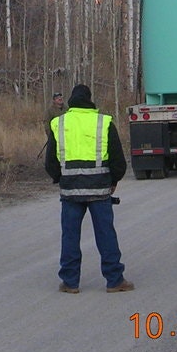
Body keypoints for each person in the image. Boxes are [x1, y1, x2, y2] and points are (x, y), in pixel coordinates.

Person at [45, 84, 133, 294]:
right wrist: (113, 180)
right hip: (100, 190)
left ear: (71, 101)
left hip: (70, 191)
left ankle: (70, 282)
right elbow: (118, 160)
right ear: (90, 100)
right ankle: (114, 280)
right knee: (106, 234)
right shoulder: (104, 122)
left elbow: (50, 162)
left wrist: (61, 178)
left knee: (70, 236)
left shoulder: (59, 123)